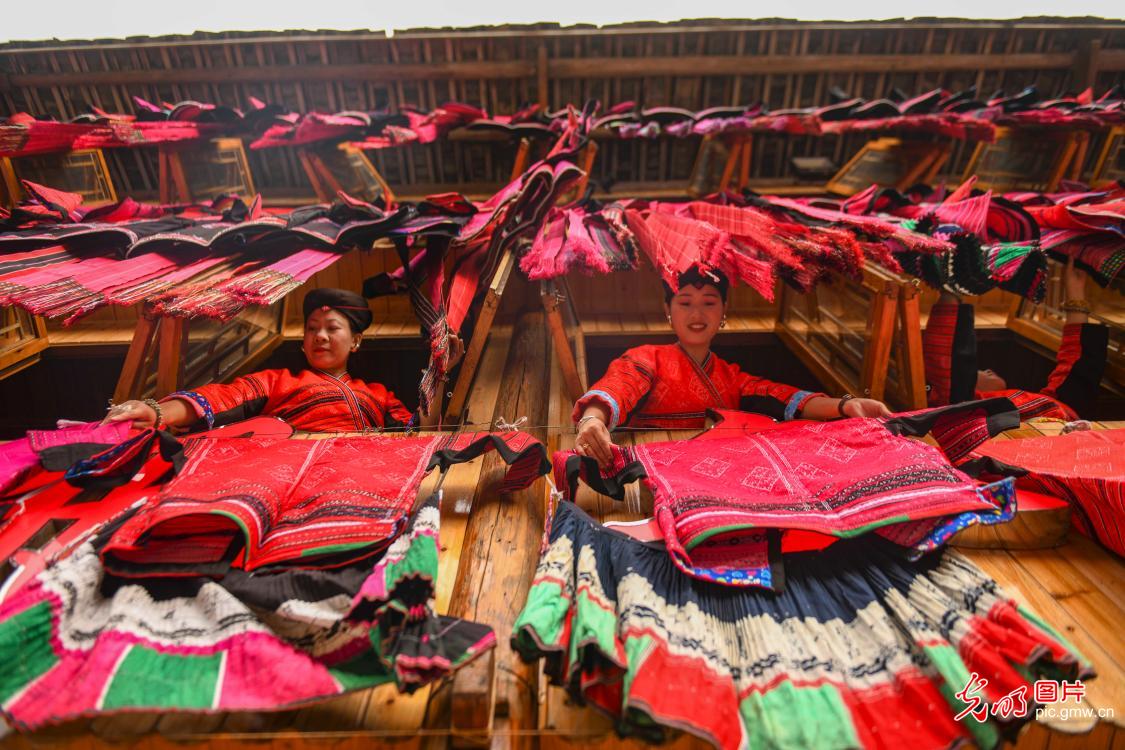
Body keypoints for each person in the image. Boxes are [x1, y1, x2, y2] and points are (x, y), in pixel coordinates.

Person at [573, 268, 891, 466]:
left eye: (709, 302)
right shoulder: (646, 357)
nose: (697, 313)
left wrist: (846, 404)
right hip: (654, 468)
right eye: (685, 302)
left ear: (724, 310)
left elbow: (783, 396)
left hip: (717, 470)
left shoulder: (731, 376)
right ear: (667, 310)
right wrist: (593, 420)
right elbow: (619, 386)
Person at [103, 288, 462, 432]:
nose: (320, 335)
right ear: (303, 345)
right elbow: (222, 398)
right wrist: (157, 412)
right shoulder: (277, 381)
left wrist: (442, 375)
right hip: (293, 465)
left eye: (331, 328)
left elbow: (415, 433)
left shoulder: (379, 393)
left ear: (355, 342)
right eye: (312, 329)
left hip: (365, 467)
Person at [922, 259, 1108, 421]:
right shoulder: (960, 405)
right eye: (973, 370)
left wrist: (1075, 293)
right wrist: (951, 289)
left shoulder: (967, 400)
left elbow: (1074, 369)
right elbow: (1080, 369)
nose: (987, 369)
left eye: (974, 368)